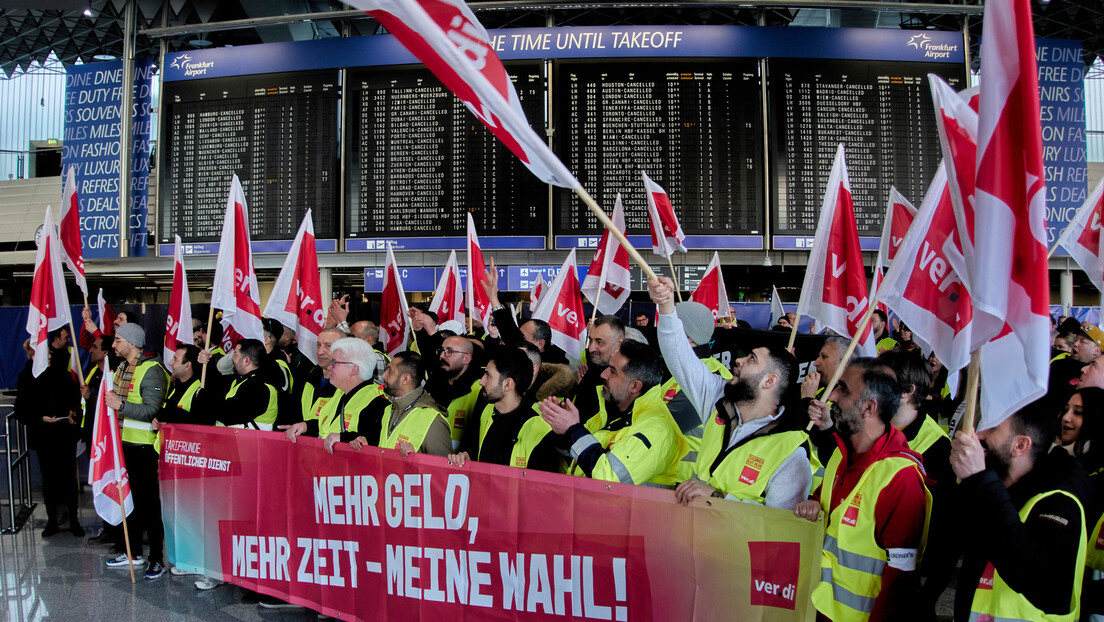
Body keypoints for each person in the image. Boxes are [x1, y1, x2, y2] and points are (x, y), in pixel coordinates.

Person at [649, 277, 810, 509]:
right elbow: (680, 358)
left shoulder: (791, 452)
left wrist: (716, 498)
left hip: (735, 545)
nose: (739, 360)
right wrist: (666, 306)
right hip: (692, 533)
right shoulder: (718, 400)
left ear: (769, 381)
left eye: (752, 359)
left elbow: (777, 526)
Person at [798, 357, 930, 621]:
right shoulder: (840, 455)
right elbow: (832, 508)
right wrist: (813, 502)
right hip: (818, 611)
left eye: (843, 389)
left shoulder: (900, 478)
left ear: (869, 407)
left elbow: (900, 579)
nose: (831, 395)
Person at [950, 403, 1099, 622]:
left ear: (1020, 444)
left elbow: (1030, 574)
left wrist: (982, 479)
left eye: (992, 429)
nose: (979, 434)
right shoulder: (993, 488)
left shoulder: (1059, 504)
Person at [539, 340, 686, 487]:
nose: (603, 374)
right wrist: (563, 430)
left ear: (635, 386)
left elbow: (608, 478)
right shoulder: (612, 412)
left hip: (632, 510)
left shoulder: (657, 430)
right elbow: (578, 457)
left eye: (613, 370)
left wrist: (573, 429)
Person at [103, 323, 170, 580]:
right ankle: (133, 552)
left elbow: (152, 410)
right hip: (122, 447)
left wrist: (120, 406)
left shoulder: (152, 369)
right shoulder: (121, 368)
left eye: (118, 340)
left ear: (132, 343)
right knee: (127, 504)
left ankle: (156, 559)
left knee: (149, 506)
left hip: (142, 448)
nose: (114, 345)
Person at [448, 347, 559, 472]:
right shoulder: (486, 412)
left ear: (507, 384)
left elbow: (544, 487)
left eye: (488, 376)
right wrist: (468, 458)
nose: (481, 382)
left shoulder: (540, 430)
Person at [17, 327, 82, 538]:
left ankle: (73, 519)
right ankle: (52, 520)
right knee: (49, 480)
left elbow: (75, 399)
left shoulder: (61, 373)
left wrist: (74, 412)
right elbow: (21, 409)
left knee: (69, 479)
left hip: (64, 434)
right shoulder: (26, 375)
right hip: (44, 436)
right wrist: (40, 418)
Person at [317, 338, 387, 455]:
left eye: (334, 363)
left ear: (354, 369)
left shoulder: (377, 401)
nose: (329, 368)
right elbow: (329, 425)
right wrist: (307, 426)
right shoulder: (342, 392)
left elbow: (372, 440)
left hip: (351, 470)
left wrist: (344, 438)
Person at [377, 351, 452, 457]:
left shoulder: (433, 420)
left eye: (390, 371)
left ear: (405, 379)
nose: (384, 376)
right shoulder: (389, 409)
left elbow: (443, 471)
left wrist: (416, 458)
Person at [197, 339, 280, 430]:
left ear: (246, 361)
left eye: (235, 354)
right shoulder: (242, 380)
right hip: (234, 442)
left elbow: (230, 415)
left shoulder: (259, 388)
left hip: (250, 443)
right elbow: (216, 383)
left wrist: (203, 396)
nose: (232, 358)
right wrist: (207, 362)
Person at [423, 334, 483, 451]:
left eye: (449, 351)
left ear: (466, 358)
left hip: (461, 465)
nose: (442, 356)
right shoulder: (433, 383)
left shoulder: (479, 389)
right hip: (429, 460)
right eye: (441, 351)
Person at [573, 315, 625, 425]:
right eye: (590, 340)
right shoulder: (588, 371)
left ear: (619, 343)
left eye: (599, 342)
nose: (591, 348)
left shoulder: (626, 382)